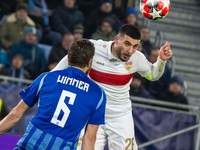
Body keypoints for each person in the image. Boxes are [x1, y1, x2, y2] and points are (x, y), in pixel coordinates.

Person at [53, 24, 173, 150]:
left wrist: (161, 60)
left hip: (120, 115)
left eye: (135, 46)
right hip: (91, 113)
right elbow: (57, 71)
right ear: (116, 39)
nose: (130, 50)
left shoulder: (137, 58)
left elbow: (153, 75)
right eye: (127, 44)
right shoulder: (93, 49)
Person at [0, 39, 106, 150]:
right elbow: (89, 139)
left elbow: (15, 115)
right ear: (90, 62)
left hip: (30, 145)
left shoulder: (46, 78)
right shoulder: (98, 95)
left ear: (69, 58)